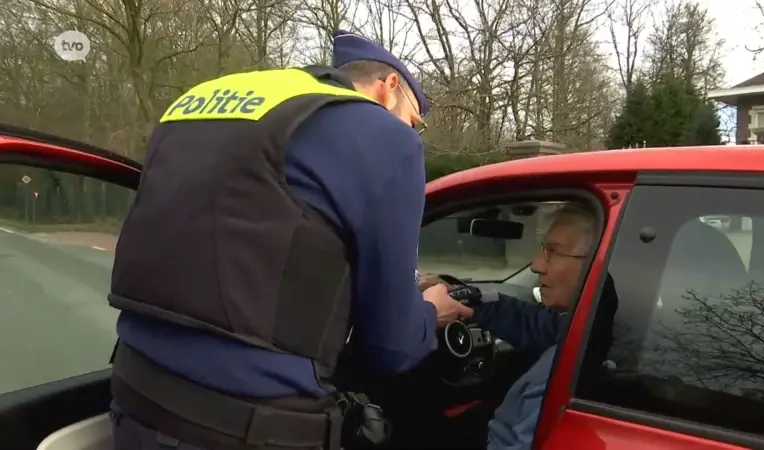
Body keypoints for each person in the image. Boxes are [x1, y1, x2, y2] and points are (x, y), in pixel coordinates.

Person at [106, 29, 463, 450]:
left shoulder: (202, 98)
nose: (411, 133)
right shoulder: (385, 137)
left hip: (133, 399)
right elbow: (392, 349)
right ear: (390, 87)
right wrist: (431, 311)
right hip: (249, 429)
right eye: (414, 122)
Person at [421, 202, 604, 449]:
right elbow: (533, 323)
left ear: (596, 263)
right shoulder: (587, 326)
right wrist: (464, 298)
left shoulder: (561, 374)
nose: (536, 265)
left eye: (553, 251)